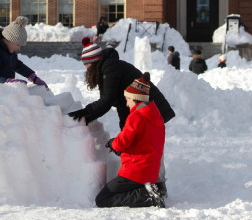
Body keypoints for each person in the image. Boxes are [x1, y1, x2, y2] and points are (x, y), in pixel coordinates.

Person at [68, 37, 175, 197]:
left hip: (151, 108)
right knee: (144, 146)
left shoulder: (110, 68)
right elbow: (115, 101)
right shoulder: (107, 68)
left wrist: (84, 114)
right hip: (140, 110)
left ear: (94, 61)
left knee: (152, 146)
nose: (87, 68)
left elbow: (107, 100)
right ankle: (149, 184)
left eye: (88, 64)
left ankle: (158, 184)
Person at [94, 74, 166, 208]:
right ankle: (151, 190)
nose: (126, 104)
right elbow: (141, 143)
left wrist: (112, 143)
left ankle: (147, 196)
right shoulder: (156, 117)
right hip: (151, 172)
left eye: (128, 99)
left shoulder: (136, 117)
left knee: (103, 198)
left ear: (135, 99)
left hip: (135, 172)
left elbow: (122, 142)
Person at [0, 16, 47, 87]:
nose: (19, 48)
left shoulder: (7, 49)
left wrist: (32, 76)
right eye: (18, 44)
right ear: (9, 40)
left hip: (5, 93)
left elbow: (16, 64)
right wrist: (7, 81)